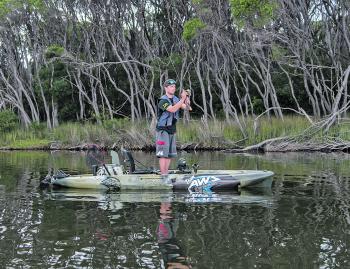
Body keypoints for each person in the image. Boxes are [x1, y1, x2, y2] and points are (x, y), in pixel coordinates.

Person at [156, 79, 190, 176]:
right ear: (166, 88)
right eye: (171, 86)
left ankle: (166, 173)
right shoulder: (162, 100)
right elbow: (172, 109)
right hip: (163, 129)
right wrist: (182, 99)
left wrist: (187, 99)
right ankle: (163, 175)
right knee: (163, 153)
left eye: (174, 86)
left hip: (172, 129)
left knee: (169, 154)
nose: (173, 88)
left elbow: (187, 108)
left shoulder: (175, 99)